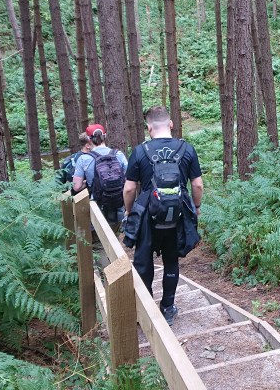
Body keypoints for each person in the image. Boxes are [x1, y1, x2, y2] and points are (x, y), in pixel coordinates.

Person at [123, 106, 203, 326]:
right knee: (171, 260)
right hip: (177, 214)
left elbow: (129, 188)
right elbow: (197, 184)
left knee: (143, 262)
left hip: (147, 215)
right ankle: (167, 307)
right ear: (171, 124)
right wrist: (196, 207)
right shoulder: (187, 149)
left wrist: (130, 213)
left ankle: (146, 308)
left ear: (149, 128)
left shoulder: (140, 151)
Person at [73, 124, 129, 229]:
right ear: (105, 136)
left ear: (89, 139)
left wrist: (88, 183)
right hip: (119, 201)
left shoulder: (84, 159)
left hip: (98, 204)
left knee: (100, 231)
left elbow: (76, 186)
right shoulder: (118, 154)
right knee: (119, 230)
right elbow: (128, 179)